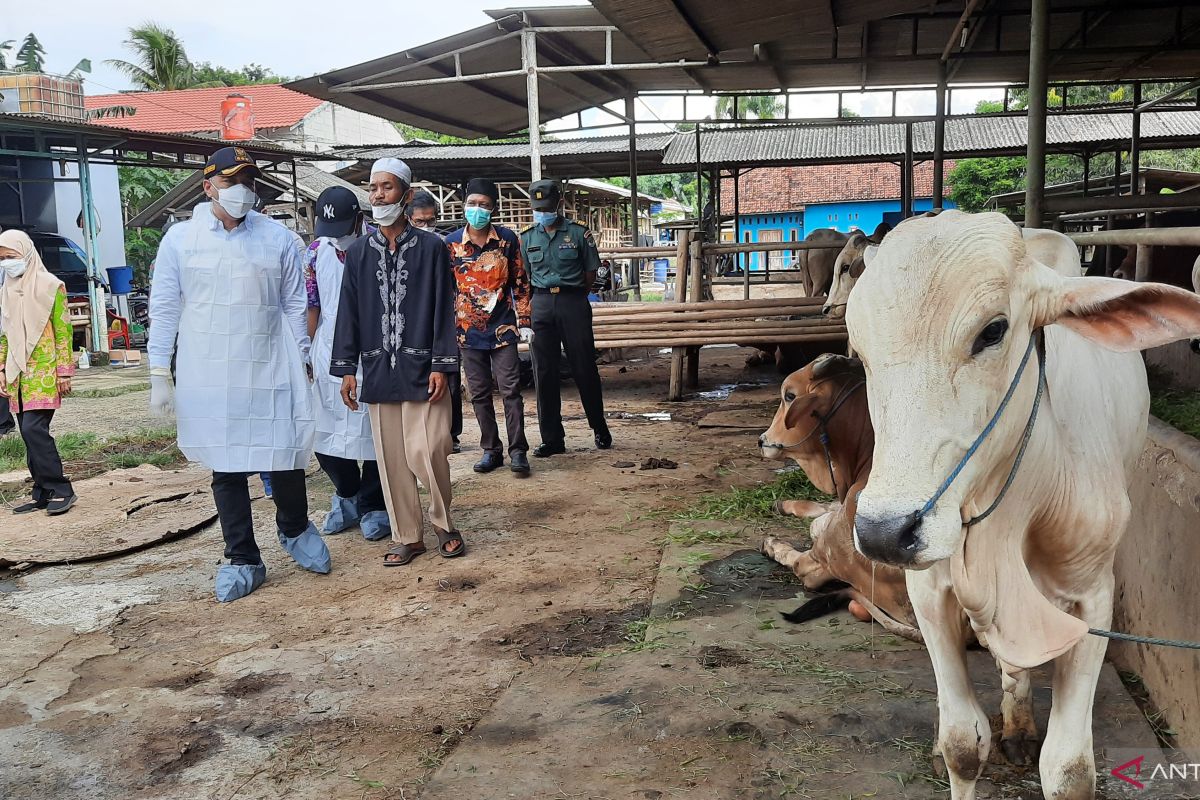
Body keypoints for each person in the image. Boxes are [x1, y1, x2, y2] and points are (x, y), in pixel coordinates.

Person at [149, 146, 330, 602]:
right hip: (210, 371)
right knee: (225, 465)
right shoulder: (181, 240)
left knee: (284, 452)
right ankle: (243, 556)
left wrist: (303, 356)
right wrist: (158, 368)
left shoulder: (278, 239)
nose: (242, 191)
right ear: (208, 186)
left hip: (270, 363)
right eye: (231, 182)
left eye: (248, 182)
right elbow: (166, 306)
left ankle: (293, 528)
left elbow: (294, 303)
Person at [331, 158, 464, 567]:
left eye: (386, 188)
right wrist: (347, 369)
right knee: (390, 459)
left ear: (405, 196)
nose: (377, 195)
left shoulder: (432, 248)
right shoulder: (357, 254)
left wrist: (442, 364)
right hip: (378, 368)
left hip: (424, 368)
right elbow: (348, 311)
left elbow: (446, 308)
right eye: (373, 188)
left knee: (429, 449)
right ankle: (408, 535)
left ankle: (444, 524)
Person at [304, 186, 390, 541]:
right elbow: (312, 305)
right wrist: (306, 353)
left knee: (374, 434)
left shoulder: (382, 246)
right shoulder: (314, 253)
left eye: (343, 230)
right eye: (330, 233)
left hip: (373, 350)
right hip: (327, 350)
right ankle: (346, 492)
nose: (337, 239)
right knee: (323, 432)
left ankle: (374, 502)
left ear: (359, 220)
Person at [445, 178, 532, 476]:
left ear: (493, 207)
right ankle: (490, 449)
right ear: (464, 205)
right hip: (467, 332)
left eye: (483, 205)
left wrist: (526, 320)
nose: (477, 210)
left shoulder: (508, 240)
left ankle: (518, 450)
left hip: (503, 329)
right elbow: (446, 290)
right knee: (479, 394)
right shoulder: (452, 243)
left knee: (511, 391)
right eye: (472, 204)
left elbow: (520, 282)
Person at [519, 179, 612, 456]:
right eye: (538, 208)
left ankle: (599, 427)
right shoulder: (527, 238)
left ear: (558, 204)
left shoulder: (578, 234)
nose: (542, 213)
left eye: (546, 207)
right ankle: (552, 439)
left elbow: (590, 274)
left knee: (584, 367)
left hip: (573, 302)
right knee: (544, 372)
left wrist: (573, 296)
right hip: (541, 304)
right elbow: (524, 276)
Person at [0, 229, 77, 515]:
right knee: (27, 433)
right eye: (3, 258)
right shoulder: (6, 290)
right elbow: (5, 335)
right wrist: (1, 368)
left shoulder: (50, 286)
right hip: (16, 374)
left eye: (12, 256)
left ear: (27, 254)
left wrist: (65, 372)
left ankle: (61, 489)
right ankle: (42, 492)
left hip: (44, 372)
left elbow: (63, 331)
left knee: (34, 429)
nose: (7, 263)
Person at [409, 189, 464, 454]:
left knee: (449, 376)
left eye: (430, 220)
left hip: (444, 319)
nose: (426, 226)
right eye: (420, 221)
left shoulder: (444, 246)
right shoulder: (402, 249)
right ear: (408, 219)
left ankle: (451, 434)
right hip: (413, 322)